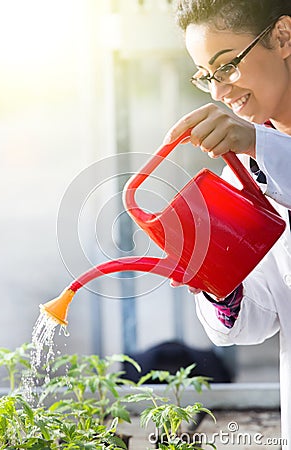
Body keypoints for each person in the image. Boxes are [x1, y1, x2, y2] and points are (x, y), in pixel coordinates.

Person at [163, 0, 291, 446]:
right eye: (206, 76)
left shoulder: (258, 150)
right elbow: (261, 319)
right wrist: (218, 279)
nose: (220, 92)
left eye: (227, 66)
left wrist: (259, 143)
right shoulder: (245, 172)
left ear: (283, 37)